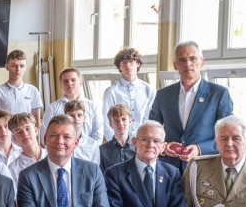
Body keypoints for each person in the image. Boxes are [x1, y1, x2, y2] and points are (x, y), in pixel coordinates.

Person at [148, 41, 232, 170]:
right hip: (169, 168)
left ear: (202, 62)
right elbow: (151, 130)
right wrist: (163, 146)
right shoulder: (162, 95)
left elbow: (227, 135)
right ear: (175, 65)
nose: (188, 64)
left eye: (193, 58)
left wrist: (199, 149)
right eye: (182, 60)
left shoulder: (219, 94)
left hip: (204, 167)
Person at [102, 47, 155, 135]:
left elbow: (150, 120)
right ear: (119, 67)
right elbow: (106, 123)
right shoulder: (111, 92)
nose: (127, 66)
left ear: (138, 63)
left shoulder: (150, 90)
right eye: (124, 63)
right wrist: (117, 142)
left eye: (131, 62)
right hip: (119, 141)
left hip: (143, 139)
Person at [0, 50, 43, 128]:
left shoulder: (33, 90)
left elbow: (36, 122)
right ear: (7, 66)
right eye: (14, 66)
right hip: (5, 133)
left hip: (25, 134)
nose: (18, 69)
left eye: (22, 66)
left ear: (25, 67)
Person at [41, 68, 100, 143]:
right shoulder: (52, 108)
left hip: (88, 150)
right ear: (61, 85)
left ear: (81, 82)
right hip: (59, 149)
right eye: (65, 81)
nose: (69, 83)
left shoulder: (93, 107)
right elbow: (45, 137)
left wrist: (84, 149)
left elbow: (97, 137)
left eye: (73, 80)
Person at [7, 111, 45, 187]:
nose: (25, 134)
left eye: (27, 129)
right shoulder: (13, 169)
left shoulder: (52, 156)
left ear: (36, 131)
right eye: (19, 132)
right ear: (14, 138)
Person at [99, 104, 136, 173]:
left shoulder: (138, 148)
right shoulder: (102, 150)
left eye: (124, 119)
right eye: (116, 120)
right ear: (110, 124)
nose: (120, 123)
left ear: (130, 121)